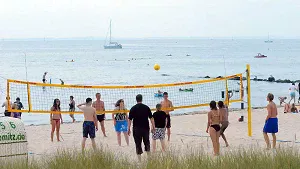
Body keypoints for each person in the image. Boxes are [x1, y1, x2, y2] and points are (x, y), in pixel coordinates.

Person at [128, 94, 155, 162]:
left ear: (136, 99)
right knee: (147, 142)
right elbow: (151, 118)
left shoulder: (133, 108)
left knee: (138, 144)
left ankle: (140, 161)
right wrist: (153, 127)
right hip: (145, 128)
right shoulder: (146, 107)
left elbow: (129, 120)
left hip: (136, 129)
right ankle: (149, 159)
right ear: (142, 99)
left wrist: (128, 129)